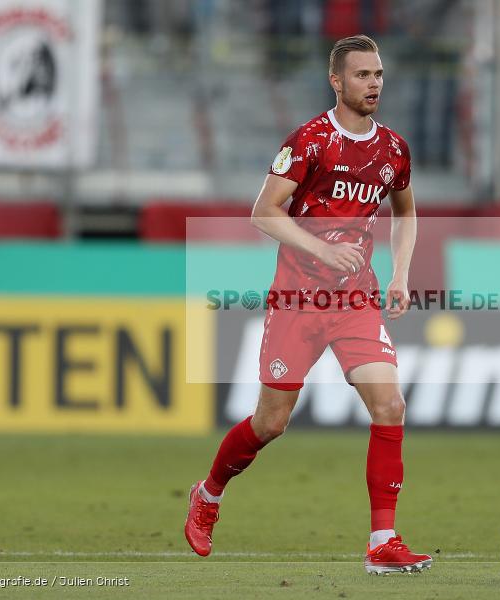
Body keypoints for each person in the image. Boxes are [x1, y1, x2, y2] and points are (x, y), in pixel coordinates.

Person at [184, 34, 431, 575]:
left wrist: (401, 275)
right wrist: (321, 247)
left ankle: (382, 543)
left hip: (357, 301)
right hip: (298, 301)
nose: (374, 84)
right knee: (271, 423)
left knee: (389, 407)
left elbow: (406, 212)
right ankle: (208, 494)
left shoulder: (393, 149)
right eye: (363, 75)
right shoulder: (309, 141)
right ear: (336, 81)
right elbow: (264, 212)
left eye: (379, 74)